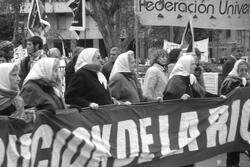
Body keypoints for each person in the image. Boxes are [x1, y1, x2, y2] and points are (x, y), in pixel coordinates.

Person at [220, 59, 250, 167]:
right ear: (236, 69)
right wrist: (237, 90)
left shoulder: (248, 79)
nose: (244, 72)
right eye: (241, 69)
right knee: (233, 145)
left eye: (246, 70)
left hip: (245, 117)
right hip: (233, 117)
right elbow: (224, 96)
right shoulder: (229, 80)